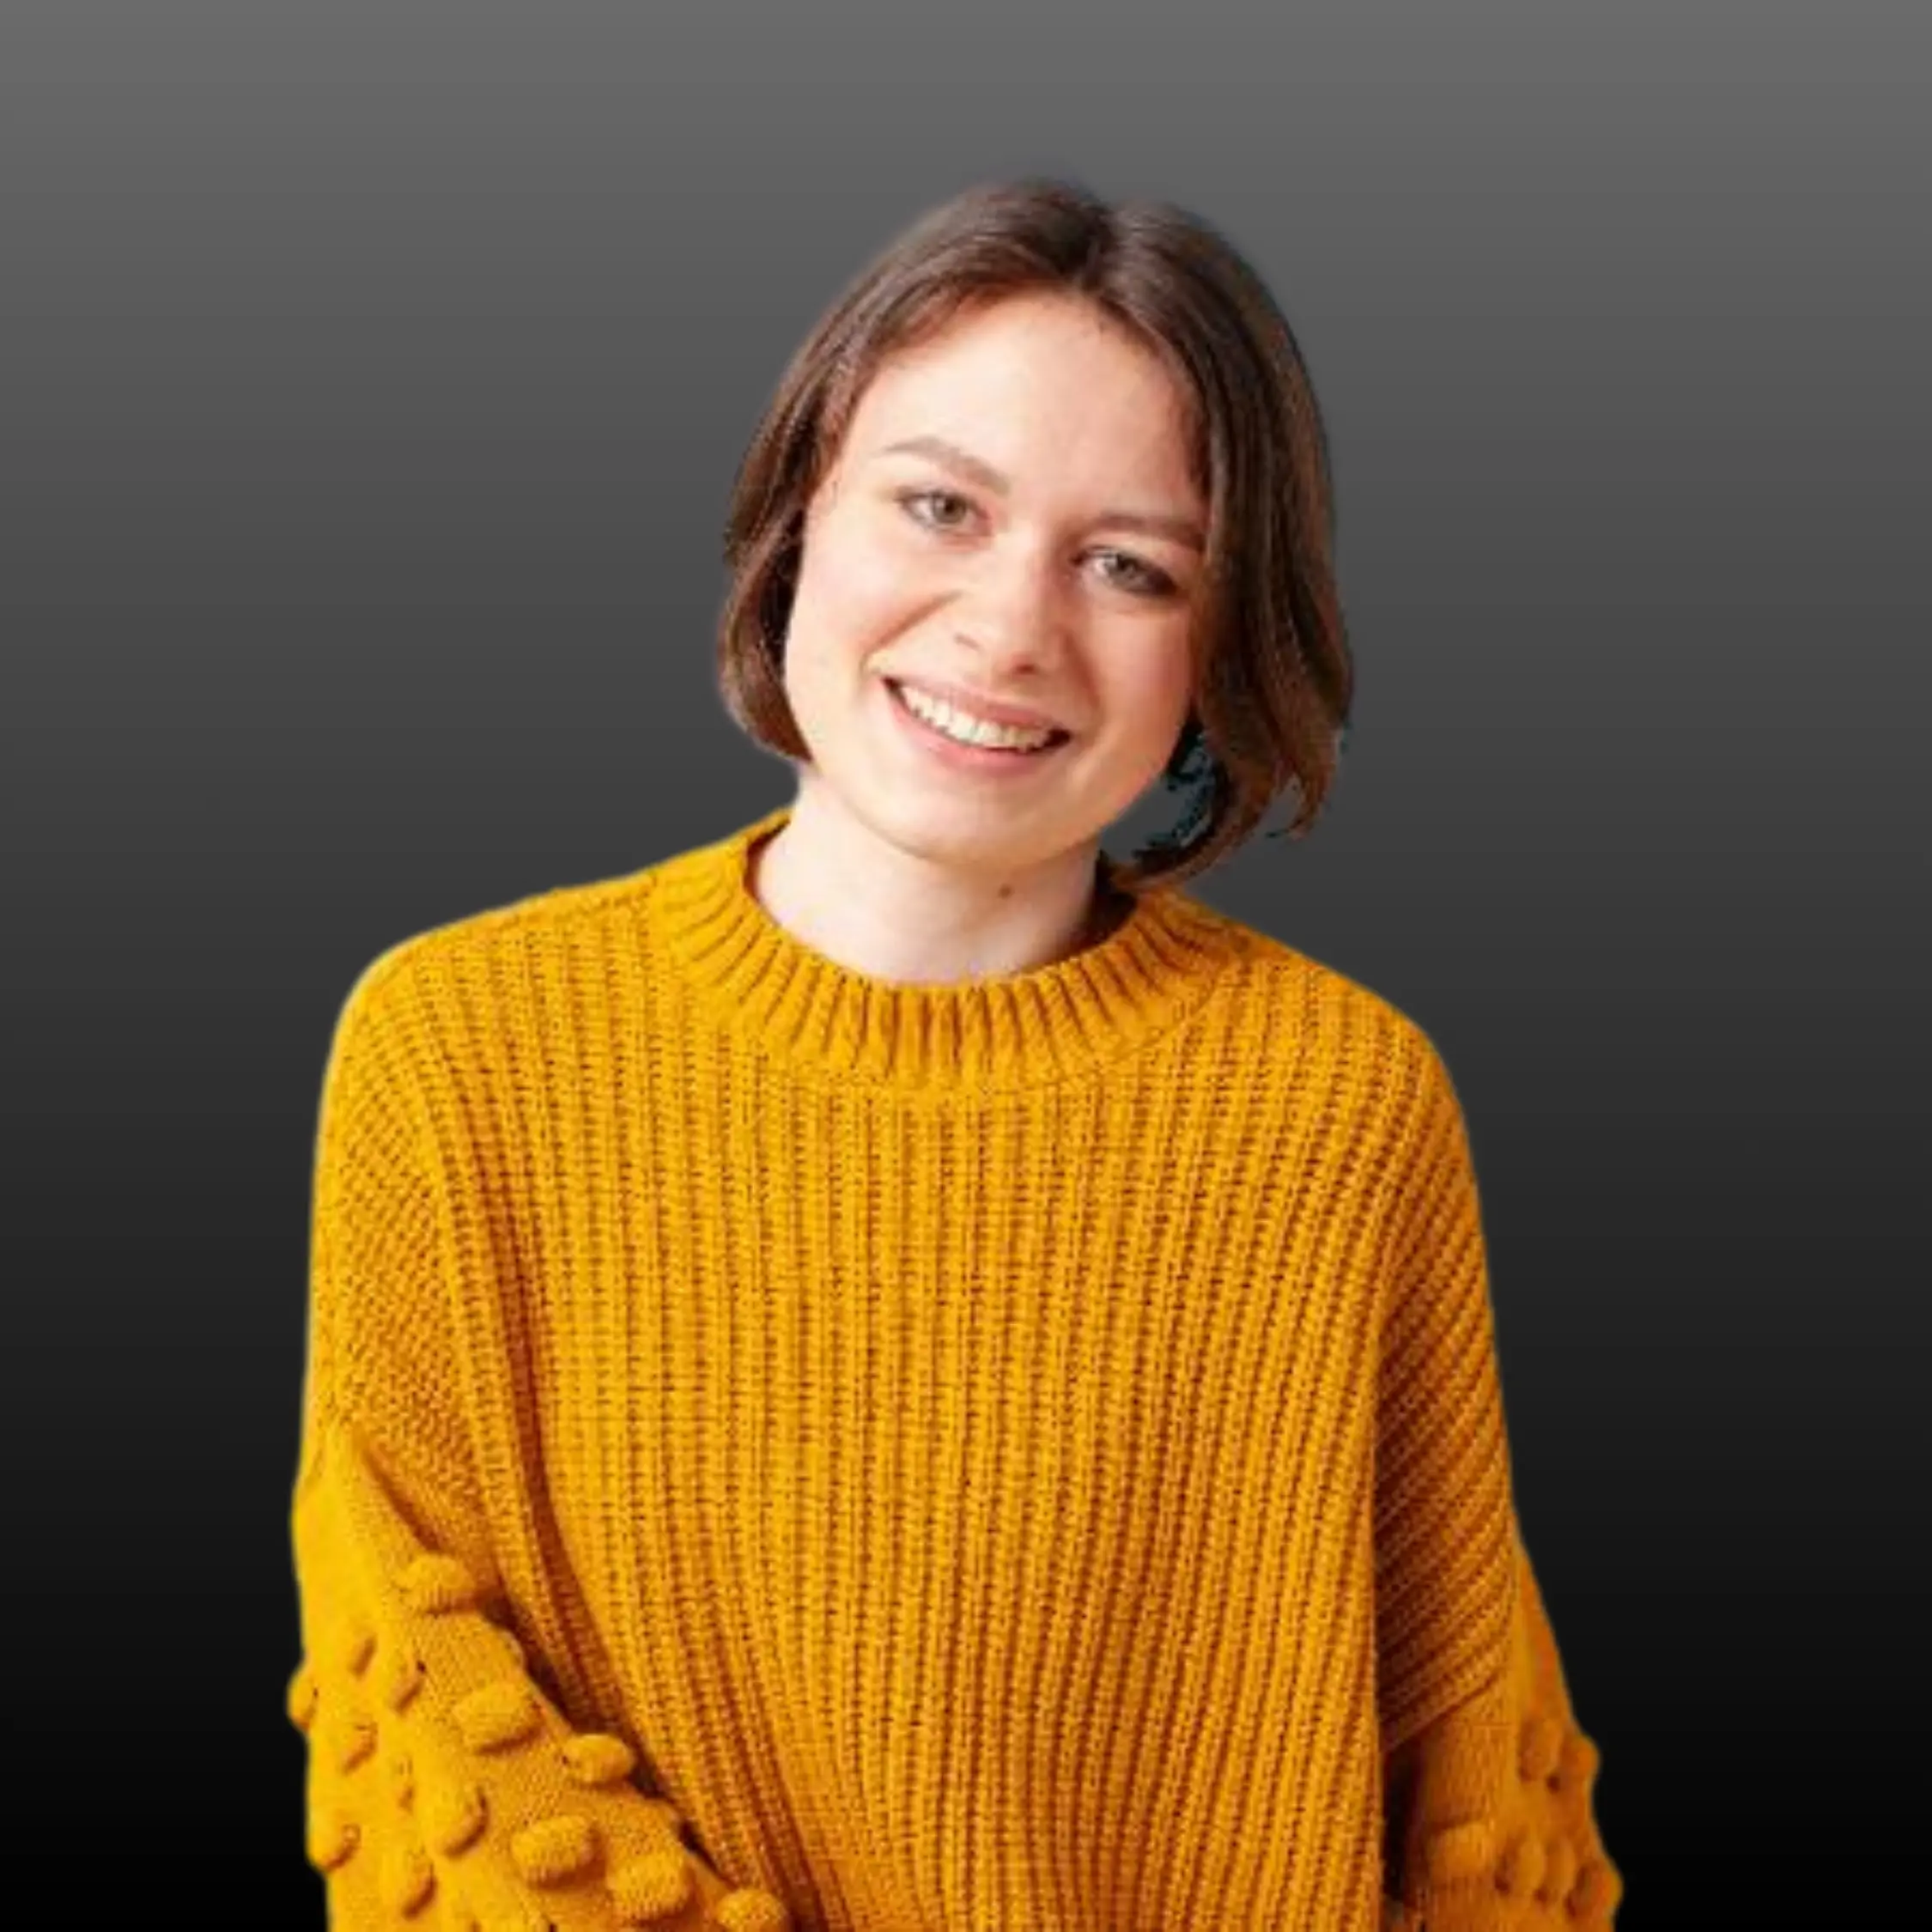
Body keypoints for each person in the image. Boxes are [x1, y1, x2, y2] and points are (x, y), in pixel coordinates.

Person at [287, 176, 1622, 1931]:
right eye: (941, 507)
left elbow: (1477, 1785)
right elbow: (425, 1724)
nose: (1009, 628)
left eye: (1129, 565)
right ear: (803, 510)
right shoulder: (461, 1048)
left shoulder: (1338, 1104)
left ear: (1218, 644)